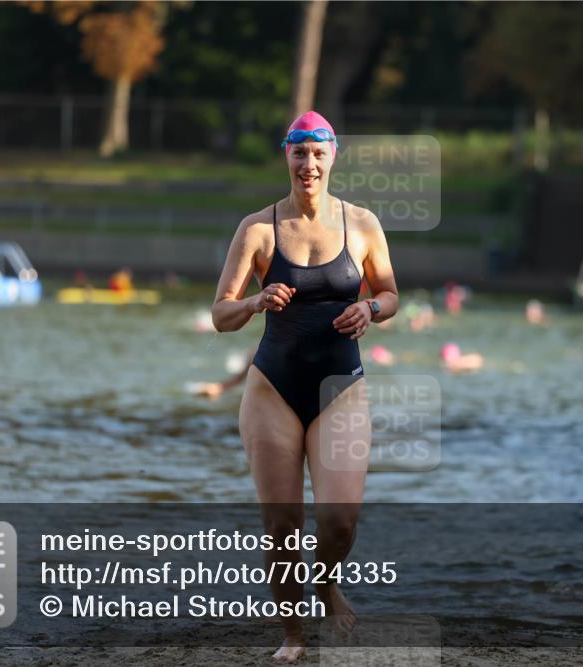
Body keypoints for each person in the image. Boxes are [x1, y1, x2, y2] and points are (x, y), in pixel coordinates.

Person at [211, 111, 399, 662]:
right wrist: (253, 301)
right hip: (272, 387)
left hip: (342, 387)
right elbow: (221, 313)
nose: (308, 164)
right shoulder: (258, 228)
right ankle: (292, 635)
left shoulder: (362, 224)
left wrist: (368, 308)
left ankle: (325, 582)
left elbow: (390, 294)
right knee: (282, 525)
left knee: (340, 520)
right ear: (287, 158)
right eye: (299, 153)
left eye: (318, 154)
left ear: (333, 156)